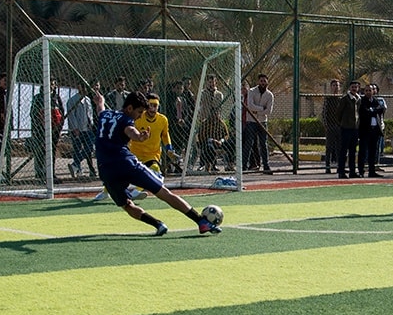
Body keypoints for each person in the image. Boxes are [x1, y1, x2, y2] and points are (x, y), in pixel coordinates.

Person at [95, 91, 218, 236]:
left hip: (106, 170)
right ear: (129, 108)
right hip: (126, 164)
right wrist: (140, 137)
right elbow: (131, 131)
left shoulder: (105, 115)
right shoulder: (126, 120)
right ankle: (200, 221)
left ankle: (158, 224)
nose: (140, 116)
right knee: (163, 192)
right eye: (139, 112)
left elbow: (100, 110)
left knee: (127, 205)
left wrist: (100, 101)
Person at [244, 73, 274, 174]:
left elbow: (268, 111)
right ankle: (244, 166)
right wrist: (262, 109)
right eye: (261, 81)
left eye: (264, 81)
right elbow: (250, 106)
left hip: (262, 122)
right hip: (251, 121)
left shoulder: (270, 95)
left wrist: (256, 111)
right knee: (249, 144)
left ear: (267, 82)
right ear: (258, 82)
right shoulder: (252, 91)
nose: (263, 83)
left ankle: (266, 166)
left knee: (263, 144)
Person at [357, 81, 387, 177]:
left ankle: (372, 171)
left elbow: (381, 109)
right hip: (365, 130)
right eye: (366, 90)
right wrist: (373, 110)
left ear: (373, 91)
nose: (368, 92)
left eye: (370, 90)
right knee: (363, 151)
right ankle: (361, 171)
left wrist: (372, 110)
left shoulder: (375, 101)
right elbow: (364, 112)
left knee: (373, 152)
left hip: (375, 130)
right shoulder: (362, 101)